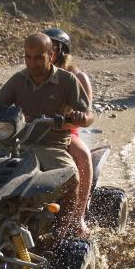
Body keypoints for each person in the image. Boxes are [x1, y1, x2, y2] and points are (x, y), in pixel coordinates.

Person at [0, 33, 94, 237]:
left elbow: (88, 115)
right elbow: (0, 102)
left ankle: (67, 226)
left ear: (51, 55)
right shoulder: (19, 79)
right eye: (27, 57)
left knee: (71, 176)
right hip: (16, 142)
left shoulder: (68, 80)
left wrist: (78, 117)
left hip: (51, 144)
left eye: (37, 58)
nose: (31, 63)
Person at [42, 27, 93, 230]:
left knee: (83, 156)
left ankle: (78, 217)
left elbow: (86, 111)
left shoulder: (77, 77)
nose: (47, 53)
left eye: (51, 48)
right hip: (30, 130)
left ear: (62, 51)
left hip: (63, 131)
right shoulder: (33, 72)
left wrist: (73, 119)